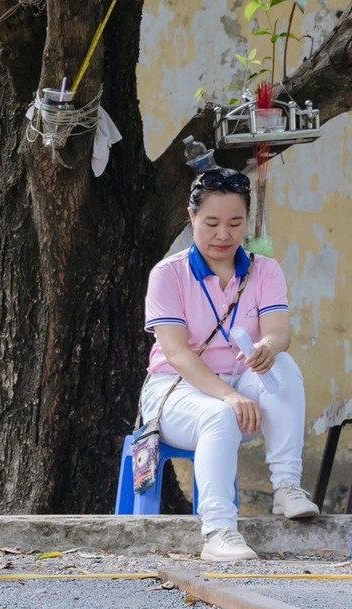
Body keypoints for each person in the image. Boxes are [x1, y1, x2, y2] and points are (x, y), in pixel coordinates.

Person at [142, 167, 319, 562]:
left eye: (235, 223)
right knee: (219, 415)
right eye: (212, 223)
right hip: (175, 390)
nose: (223, 235)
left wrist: (267, 348)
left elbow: (278, 332)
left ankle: (287, 487)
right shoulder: (168, 275)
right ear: (192, 218)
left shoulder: (264, 270)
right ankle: (219, 530)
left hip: (240, 384)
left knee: (284, 366)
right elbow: (176, 353)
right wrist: (229, 395)